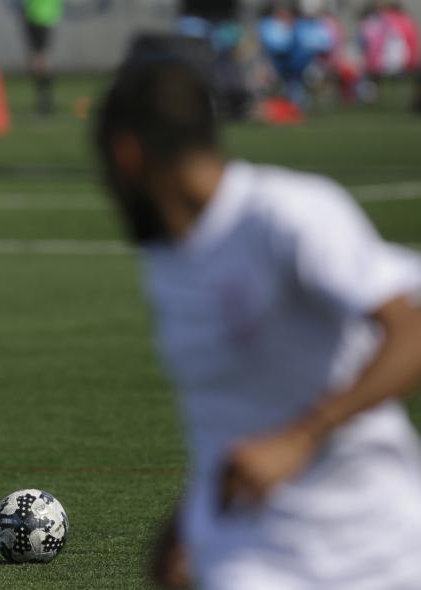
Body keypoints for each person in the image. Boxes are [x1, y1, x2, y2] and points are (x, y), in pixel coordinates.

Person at [96, 58, 421, 589]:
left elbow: (412, 328)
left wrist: (301, 438)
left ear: (127, 154)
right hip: (249, 559)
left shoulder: (287, 213)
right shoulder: (167, 259)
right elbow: (228, 420)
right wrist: (186, 525)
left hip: (378, 548)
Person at [19, 0, 64, 115]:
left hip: (43, 17)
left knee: (40, 60)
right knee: (36, 60)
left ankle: (45, 102)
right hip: (34, 15)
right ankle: (44, 100)